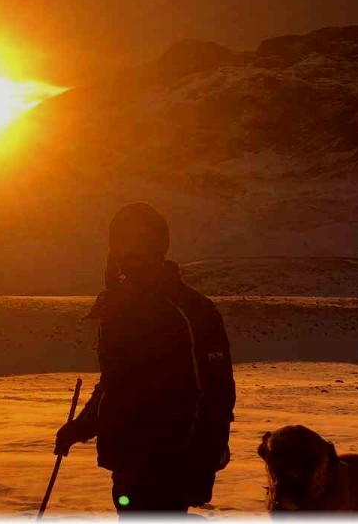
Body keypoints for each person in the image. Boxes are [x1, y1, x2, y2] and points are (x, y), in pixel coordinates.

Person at [54, 202, 235, 516]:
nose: (130, 253)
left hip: (172, 465)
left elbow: (216, 393)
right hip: (125, 461)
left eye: (141, 243)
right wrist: (79, 428)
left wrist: (202, 463)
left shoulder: (192, 311)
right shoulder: (116, 308)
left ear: (158, 247)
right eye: (123, 242)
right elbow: (113, 383)